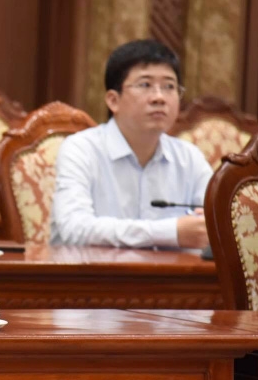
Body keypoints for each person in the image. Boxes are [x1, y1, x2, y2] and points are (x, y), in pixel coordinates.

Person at [50, 39, 213, 249]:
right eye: (145, 85)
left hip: (171, 280)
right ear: (113, 100)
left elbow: (220, 223)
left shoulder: (190, 158)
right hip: (93, 278)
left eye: (169, 86)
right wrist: (170, 233)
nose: (159, 97)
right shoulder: (81, 149)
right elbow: (75, 229)